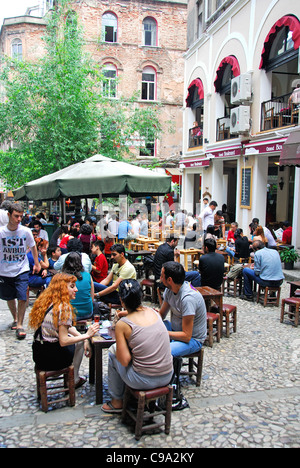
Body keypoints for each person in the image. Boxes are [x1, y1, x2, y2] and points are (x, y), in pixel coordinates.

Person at [102, 279, 173, 413]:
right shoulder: (154, 313)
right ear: (140, 297)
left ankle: (117, 401)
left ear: (122, 301)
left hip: (144, 380)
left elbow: (124, 360)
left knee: (113, 352)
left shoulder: (123, 325)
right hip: (167, 375)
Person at [29, 273, 99, 388]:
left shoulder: (48, 301)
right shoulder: (64, 307)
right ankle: (74, 380)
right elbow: (64, 341)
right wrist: (87, 335)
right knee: (78, 341)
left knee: (79, 340)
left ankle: (74, 378)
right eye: (72, 286)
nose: (76, 289)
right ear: (62, 288)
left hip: (39, 354)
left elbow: (66, 326)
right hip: (53, 358)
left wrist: (84, 338)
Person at [0, 203, 41, 339]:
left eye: (20, 217)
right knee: (9, 296)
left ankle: (20, 325)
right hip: (4, 270)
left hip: (21, 269)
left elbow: (33, 246)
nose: (18, 219)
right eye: (16, 216)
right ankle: (15, 318)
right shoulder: (1, 232)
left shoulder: (25, 231)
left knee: (23, 296)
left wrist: (36, 263)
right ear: (9, 215)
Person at [158, 261, 207, 357]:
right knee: (149, 332)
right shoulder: (169, 290)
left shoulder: (188, 299)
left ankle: (172, 371)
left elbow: (186, 336)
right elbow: (161, 314)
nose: (160, 279)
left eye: (161, 276)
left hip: (193, 339)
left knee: (163, 352)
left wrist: (163, 333)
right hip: (175, 329)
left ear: (169, 280)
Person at [62, 252, 95, 321]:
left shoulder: (62, 278)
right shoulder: (88, 275)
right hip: (87, 312)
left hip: (68, 314)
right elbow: (92, 297)